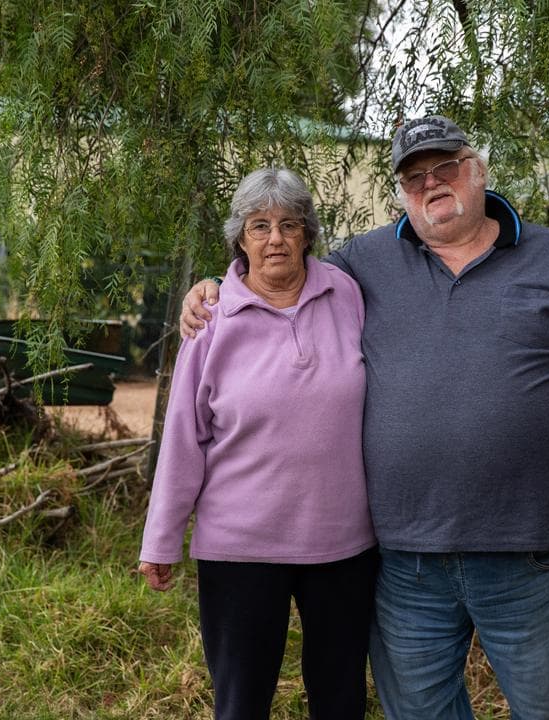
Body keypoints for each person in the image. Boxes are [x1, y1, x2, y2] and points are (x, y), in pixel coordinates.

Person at [181, 116, 549, 720]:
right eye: (414, 177)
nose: (432, 184)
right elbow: (281, 271)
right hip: (405, 560)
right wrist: (215, 286)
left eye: (444, 167)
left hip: (520, 550)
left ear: (477, 170)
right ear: (402, 193)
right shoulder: (365, 263)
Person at [139, 167, 379, 720]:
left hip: (342, 545)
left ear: (308, 234)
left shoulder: (346, 293)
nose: (275, 239)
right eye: (260, 225)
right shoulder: (212, 319)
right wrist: (161, 538)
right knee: (241, 703)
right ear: (240, 239)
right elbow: (183, 438)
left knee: (342, 699)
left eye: (289, 224)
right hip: (240, 548)